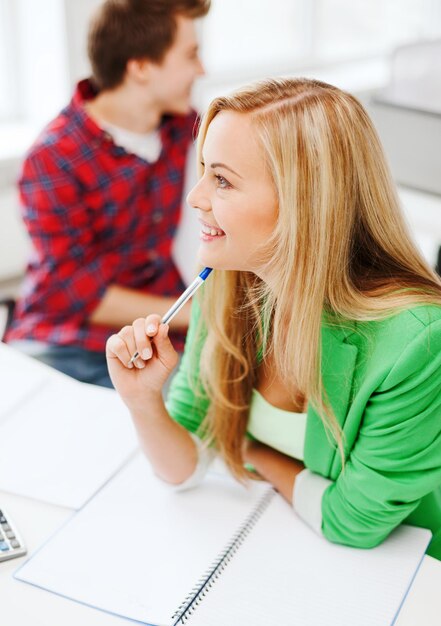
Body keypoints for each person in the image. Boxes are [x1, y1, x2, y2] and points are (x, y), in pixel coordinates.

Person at [105, 77, 441, 560]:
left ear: (303, 203)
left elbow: (354, 522)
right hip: (286, 543)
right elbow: (182, 468)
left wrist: (251, 452)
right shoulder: (228, 277)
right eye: (203, 171)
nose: (195, 197)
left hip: (401, 571)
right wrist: (142, 401)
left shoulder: (418, 340)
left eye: (221, 179)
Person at [5, 0, 210, 388]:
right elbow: (79, 293)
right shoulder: (53, 157)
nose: (201, 70)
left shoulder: (187, 129)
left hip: (157, 335)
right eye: (191, 55)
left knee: (208, 406)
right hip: (64, 339)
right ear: (141, 67)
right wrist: (206, 312)